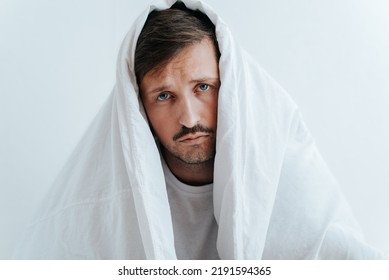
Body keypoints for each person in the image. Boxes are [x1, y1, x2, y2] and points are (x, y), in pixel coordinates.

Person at [13, 0, 383, 259]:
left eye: (203, 87)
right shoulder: (94, 202)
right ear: (137, 108)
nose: (188, 117)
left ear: (230, 86)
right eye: (164, 96)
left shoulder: (281, 168)